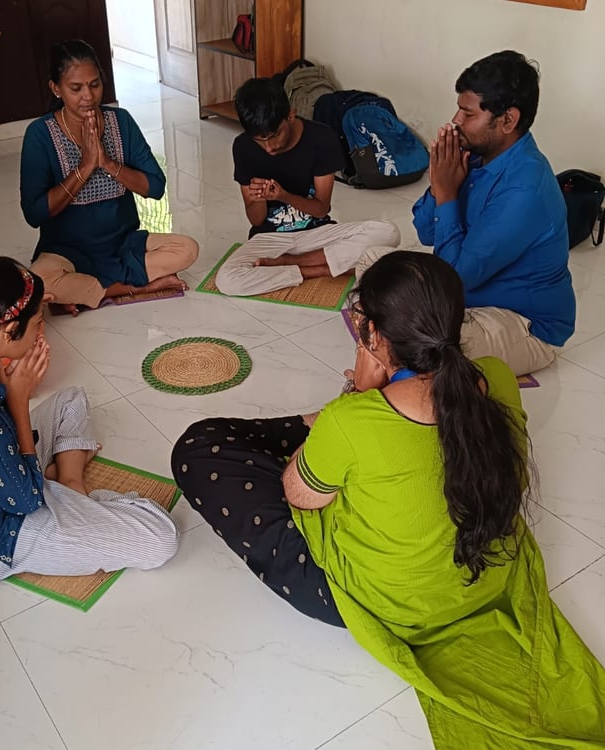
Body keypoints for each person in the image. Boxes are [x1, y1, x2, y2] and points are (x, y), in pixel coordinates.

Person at [172, 251, 605, 748]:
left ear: (374, 337)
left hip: (384, 606)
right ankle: (319, 439)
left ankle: (312, 435)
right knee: (332, 449)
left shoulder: (354, 421)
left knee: (201, 446)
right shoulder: (497, 377)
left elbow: (299, 496)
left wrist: (354, 399)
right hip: (484, 581)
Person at [0, 257, 179, 583]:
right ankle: (74, 498)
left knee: (70, 400)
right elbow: (25, 500)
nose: (39, 332)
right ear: (8, 330)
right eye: (36, 324)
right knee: (161, 536)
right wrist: (17, 401)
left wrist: (8, 392)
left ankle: (70, 484)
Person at [356, 50, 575, 376]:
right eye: (459, 109)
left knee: (425, 343)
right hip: (464, 292)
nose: (456, 121)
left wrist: (446, 193)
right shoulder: (475, 154)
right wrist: (438, 184)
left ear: (508, 120)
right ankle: (393, 353)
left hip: (520, 322)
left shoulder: (525, 189)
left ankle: (385, 365)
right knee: (373, 262)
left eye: (468, 114)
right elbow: (427, 233)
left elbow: (455, 277)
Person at [20, 39, 198, 314]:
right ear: (56, 88)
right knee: (36, 281)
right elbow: (34, 214)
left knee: (188, 249)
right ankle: (135, 288)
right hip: (66, 252)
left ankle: (84, 292)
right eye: (75, 88)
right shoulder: (40, 134)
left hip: (122, 245)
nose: (88, 96)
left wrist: (107, 162)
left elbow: (155, 187)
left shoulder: (120, 121)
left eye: (94, 84)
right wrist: (85, 167)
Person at [214, 76, 400, 297]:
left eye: (274, 135)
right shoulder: (243, 147)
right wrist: (258, 199)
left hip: (317, 234)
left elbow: (321, 208)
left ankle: (295, 265)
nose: (269, 147)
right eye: (260, 140)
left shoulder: (321, 138)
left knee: (388, 232)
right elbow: (256, 220)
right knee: (227, 281)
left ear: (290, 115)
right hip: (269, 239)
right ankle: (320, 269)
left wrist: (284, 196)